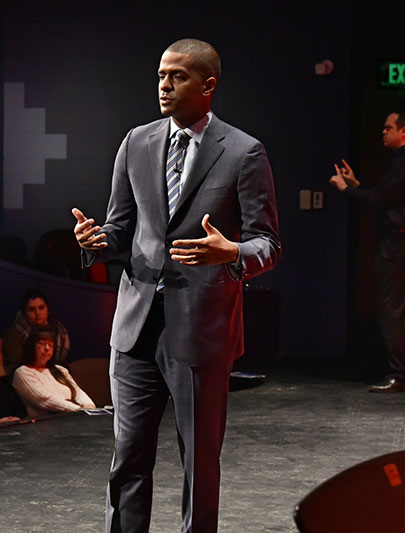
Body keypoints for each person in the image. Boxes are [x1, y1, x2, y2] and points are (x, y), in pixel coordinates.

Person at [72, 38, 280, 532]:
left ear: (208, 85)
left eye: (178, 77)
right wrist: (96, 240)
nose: (165, 86)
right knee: (127, 460)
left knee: (199, 466)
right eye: (161, 75)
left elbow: (268, 244)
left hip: (201, 331)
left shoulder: (244, 152)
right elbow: (123, 231)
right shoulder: (137, 142)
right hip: (136, 327)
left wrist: (233, 252)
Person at [329, 111, 405, 393]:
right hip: (399, 243)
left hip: (399, 244)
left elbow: (381, 199)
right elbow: (387, 198)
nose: (383, 133)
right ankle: (401, 371)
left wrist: (346, 189)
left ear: (404, 132)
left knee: (393, 310)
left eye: (388, 128)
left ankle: (401, 374)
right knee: (395, 309)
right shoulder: (404, 163)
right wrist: (357, 185)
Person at [12, 328, 94, 418]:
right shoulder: (23, 372)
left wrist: (89, 407)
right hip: (45, 425)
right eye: (42, 344)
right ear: (31, 346)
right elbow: (44, 399)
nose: (47, 348)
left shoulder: (60, 370)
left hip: (72, 418)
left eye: (51, 345)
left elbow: (77, 392)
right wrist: (78, 410)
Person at [2, 288, 70, 375]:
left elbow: (63, 363)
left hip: (56, 376)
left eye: (41, 308)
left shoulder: (58, 330)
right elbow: (16, 369)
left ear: (48, 309)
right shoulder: (14, 335)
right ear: (24, 313)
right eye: (31, 309)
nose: (37, 313)